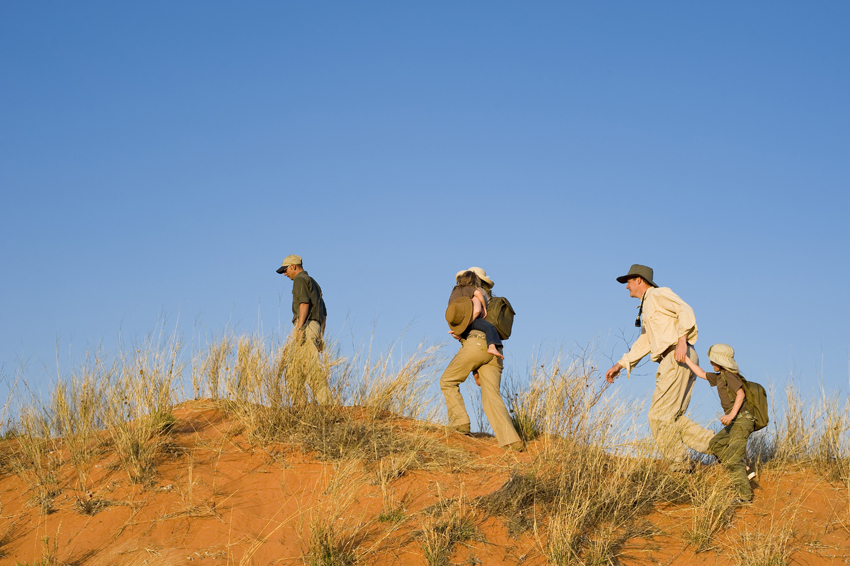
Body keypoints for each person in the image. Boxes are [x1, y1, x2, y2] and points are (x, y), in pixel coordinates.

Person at [605, 264, 714, 470]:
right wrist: (621, 364)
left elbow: (685, 310)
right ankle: (723, 446)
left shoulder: (657, 295)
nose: (626, 286)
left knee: (658, 416)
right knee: (673, 418)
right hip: (676, 357)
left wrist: (682, 340)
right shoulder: (647, 306)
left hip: (677, 355)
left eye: (628, 281)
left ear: (639, 280)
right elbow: (645, 341)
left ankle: (680, 465)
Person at [440, 267, 522, 450]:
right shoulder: (490, 298)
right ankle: (511, 441)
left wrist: (461, 329)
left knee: (447, 381)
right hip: (495, 349)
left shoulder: (470, 296)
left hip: (476, 343)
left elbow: (474, 314)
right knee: (491, 396)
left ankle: (459, 423)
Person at [684, 344, 756, 502]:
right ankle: (744, 467)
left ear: (721, 362)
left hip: (742, 420)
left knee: (733, 458)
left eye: (713, 361)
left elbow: (740, 394)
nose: (711, 363)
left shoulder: (729, 375)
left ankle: (745, 497)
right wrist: (686, 359)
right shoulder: (719, 377)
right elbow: (701, 373)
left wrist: (731, 414)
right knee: (716, 443)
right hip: (736, 421)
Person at [276, 254, 333, 404]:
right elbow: (324, 313)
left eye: (285, 270)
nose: (285, 274)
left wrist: (299, 329)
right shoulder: (314, 283)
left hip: (305, 326)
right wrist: (320, 336)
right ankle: (300, 408)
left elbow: (304, 304)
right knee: (294, 369)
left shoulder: (300, 280)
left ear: (293, 266)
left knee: (310, 368)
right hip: (315, 326)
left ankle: (328, 406)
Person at [447, 270, 503, 359]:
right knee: (490, 327)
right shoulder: (468, 288)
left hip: (458, 323)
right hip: (470, 319)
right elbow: (478, 294)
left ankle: (475, 369)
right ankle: (492, 347)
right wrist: (484, 307)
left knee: (466, 341)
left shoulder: (454, 292)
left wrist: (457, 328)